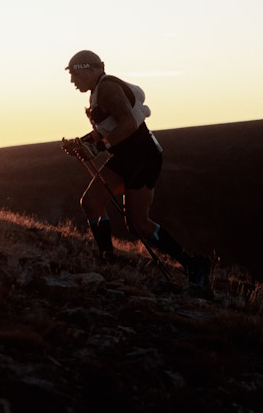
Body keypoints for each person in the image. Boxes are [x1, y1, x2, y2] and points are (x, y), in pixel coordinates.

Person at [62, 50, 211, 290]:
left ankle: (194, 265)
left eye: (74, 76)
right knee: (91, 201)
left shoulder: (108, 89)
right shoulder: (98, 92)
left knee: (138, 223)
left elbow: (128, 124)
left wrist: (98, 146)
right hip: (127, 157)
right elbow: (109, 127)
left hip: (142, 157)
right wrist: (82, 142)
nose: (72, 82)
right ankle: (108, 259)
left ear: (88, 69)